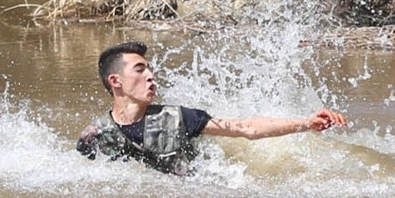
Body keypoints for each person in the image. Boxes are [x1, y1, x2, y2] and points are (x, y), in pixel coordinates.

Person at [76, 40, 347, 175]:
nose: (151, 75)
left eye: (150, 68)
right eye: (140, 69)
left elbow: (246, 128)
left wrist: (306, 123)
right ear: (116, 81)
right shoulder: (94, 136)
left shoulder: (180, 118)